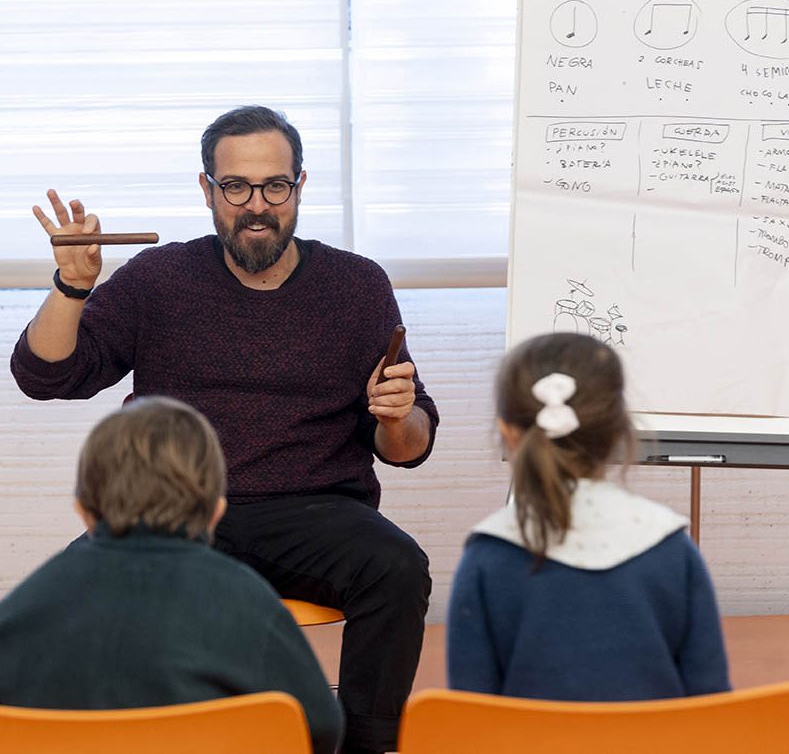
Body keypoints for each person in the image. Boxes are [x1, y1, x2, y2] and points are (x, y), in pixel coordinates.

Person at [10, 105, 439, 754]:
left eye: (274, 185)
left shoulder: (356, 285)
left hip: (317, 511)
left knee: (397, 565)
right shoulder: (159, 279)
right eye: (236, 186)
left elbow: (406, 448)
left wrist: (396, 412)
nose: (256, 204)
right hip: (175, 511)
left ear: (299, 185)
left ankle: (367, 743)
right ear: (207, 189)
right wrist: (72, 287)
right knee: (80, 589)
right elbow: (47, 376)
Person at [0, 396, 343, 754]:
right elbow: (321, 729)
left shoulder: (23, 606)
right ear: (215, 512)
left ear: (83, 512)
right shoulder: (251, 603)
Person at [447, 332, 730, 700]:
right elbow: (711, 703)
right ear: (619, 429)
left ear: (507, 432)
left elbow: (472, 720)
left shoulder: (486, 558)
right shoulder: (674, 549)